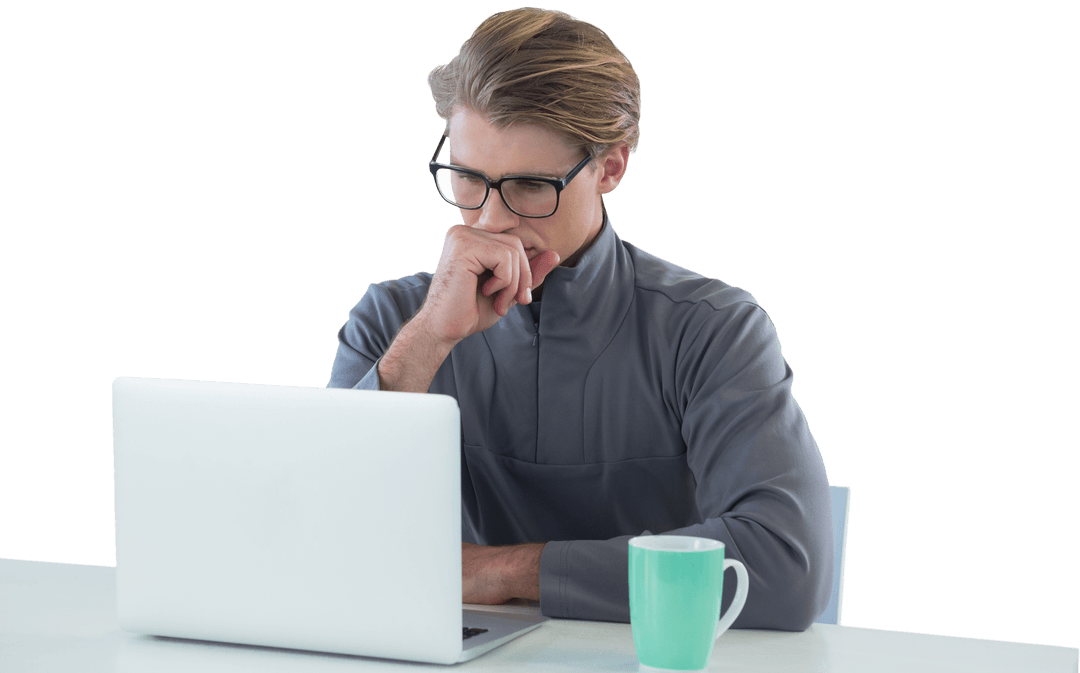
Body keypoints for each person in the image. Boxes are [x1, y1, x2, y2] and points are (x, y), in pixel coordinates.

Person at [327, 7, 833, 630]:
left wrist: (505, 572)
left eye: (531, 186)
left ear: (611, 166)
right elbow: (318, 540)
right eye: (466, 179)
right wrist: (430, 337)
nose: (491, 221)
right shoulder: (394, 321)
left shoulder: (712, 329)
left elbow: (789, 568)